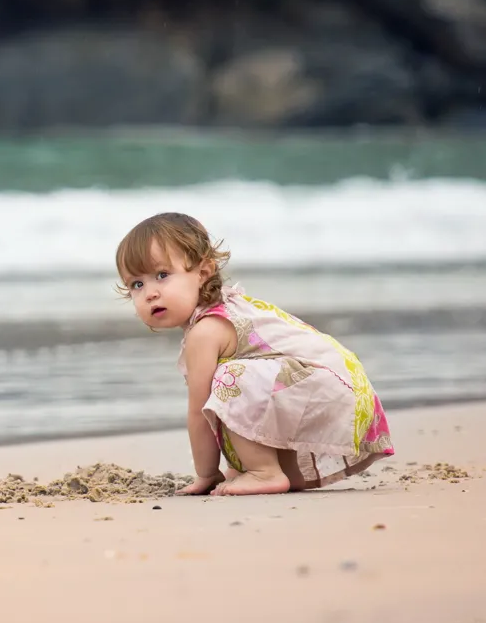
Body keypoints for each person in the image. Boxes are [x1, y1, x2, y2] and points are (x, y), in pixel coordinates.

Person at [115, 212, 394, 496]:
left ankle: (264, 472)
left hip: (333, 391)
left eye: (162, 275)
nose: (149, 293)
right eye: (137, 284)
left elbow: (199, 413)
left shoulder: (206, 331)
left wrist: (207, 474)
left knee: (228, 379)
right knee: (234, 381)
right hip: (343, 388)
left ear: (202, 273)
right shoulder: (223, 309)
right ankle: (272, 470)